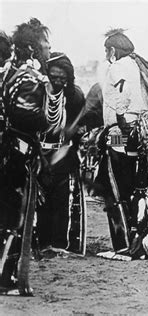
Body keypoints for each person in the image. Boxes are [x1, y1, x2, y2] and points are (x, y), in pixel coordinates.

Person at [94, 29, 148, 263]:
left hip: (121, 135)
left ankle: (125, 246)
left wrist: (115, 124)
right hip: (144, 135)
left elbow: (118, 101)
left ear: (113, 50)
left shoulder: (117, 67)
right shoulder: (144, 65)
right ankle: (144, 239)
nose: (107, 56)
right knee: (140, 188)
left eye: (107, 51)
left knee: (117, 188)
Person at [0, 18, 51, 295]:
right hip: (18, 154)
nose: (48, 51)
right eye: (45, 46)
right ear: (32, 49)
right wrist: (46, 122)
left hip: (10, 152)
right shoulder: (29, 78)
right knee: (15, 215)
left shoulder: (11, 74)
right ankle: (5, 278)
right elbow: (28, 117)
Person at [34, 53, 86, 255]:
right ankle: (42, 242)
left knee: (61, 199)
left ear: (68, 78)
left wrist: (79, 131)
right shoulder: (38, 93)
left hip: (62, 154)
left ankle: (58, 243)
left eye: (62, 78)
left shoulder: (74, 96)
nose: (57, 81)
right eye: (53, 77)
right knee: (41, 199)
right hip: (39, 153)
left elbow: (82, 124)